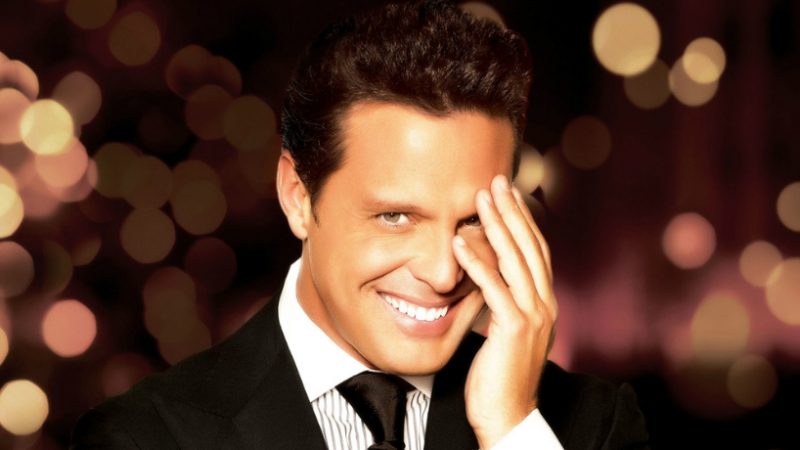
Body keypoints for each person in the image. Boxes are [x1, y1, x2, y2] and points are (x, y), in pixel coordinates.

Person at [71, 1, 649, 449]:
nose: (443, 273)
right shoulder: (145, 436)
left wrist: (510, 429)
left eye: (473, 220)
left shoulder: (588, 426)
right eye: (396, 217)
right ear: (298, 196)